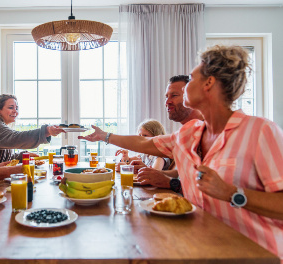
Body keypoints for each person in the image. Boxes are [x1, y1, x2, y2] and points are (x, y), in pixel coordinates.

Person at [79, 45, 283, 260]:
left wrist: (231, 193)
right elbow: (144, 142)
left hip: (255, 255)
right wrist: (104, 136)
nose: (185, 88)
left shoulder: (260, 131)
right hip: (199, 248)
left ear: (209, 83)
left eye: (191, 79)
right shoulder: (188, 133)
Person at [132, 75, 203, 188]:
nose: (167, 102)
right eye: (166, 97)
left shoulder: (211, 132)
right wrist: (152, 173)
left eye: (174, 95)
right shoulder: (186, 132)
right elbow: (179, 174)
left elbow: (214, 186)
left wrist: (107, 137)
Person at [0, 94, 65, 167]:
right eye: (11, 107)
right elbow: (16, 138)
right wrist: (46, 131)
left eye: (16, 108)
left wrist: (21, 156)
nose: (15, 111)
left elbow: (4, 158)